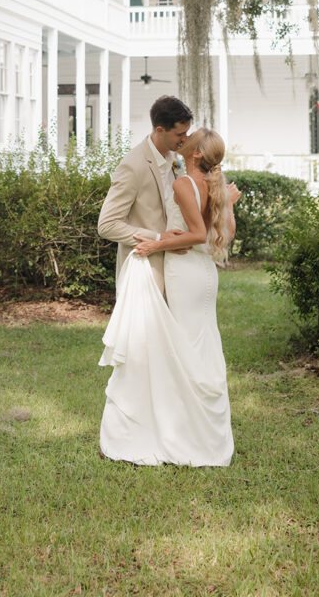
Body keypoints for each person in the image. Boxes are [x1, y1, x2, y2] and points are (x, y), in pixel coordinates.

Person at [98, 127, 240, 467]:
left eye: (188, 138)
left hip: (185, 272)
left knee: (181, 353)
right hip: (207, 273)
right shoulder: (217, 186)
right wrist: (229, 204)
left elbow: (195, 234)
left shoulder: (183, 184)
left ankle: (183, 436)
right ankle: (204, 433)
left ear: (194, 154)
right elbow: (222, 233)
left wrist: (156, 243)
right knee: (202, 347)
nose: (184, 138)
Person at [98, 95, 193, 297]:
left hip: (176, 267)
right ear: (160, 130)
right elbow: (107, 225)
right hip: (145, 270)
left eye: (187, 132)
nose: (186, 139)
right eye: (180, 134)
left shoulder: (175, 159)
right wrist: (159, 239)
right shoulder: (133, 165)